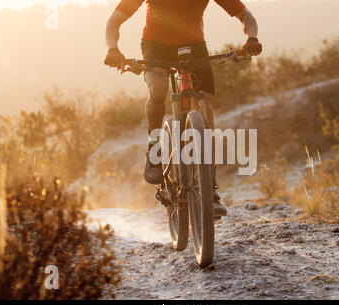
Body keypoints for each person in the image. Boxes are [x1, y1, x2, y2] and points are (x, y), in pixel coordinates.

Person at [104, 0, 262, 217]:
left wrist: (251, 38)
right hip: (155, 45)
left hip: (195, 47)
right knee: (158, 89)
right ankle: (154, 148)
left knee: (205, 106)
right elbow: (114, 22)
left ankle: (210, 188)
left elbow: (246, 17)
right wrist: (113, 49)